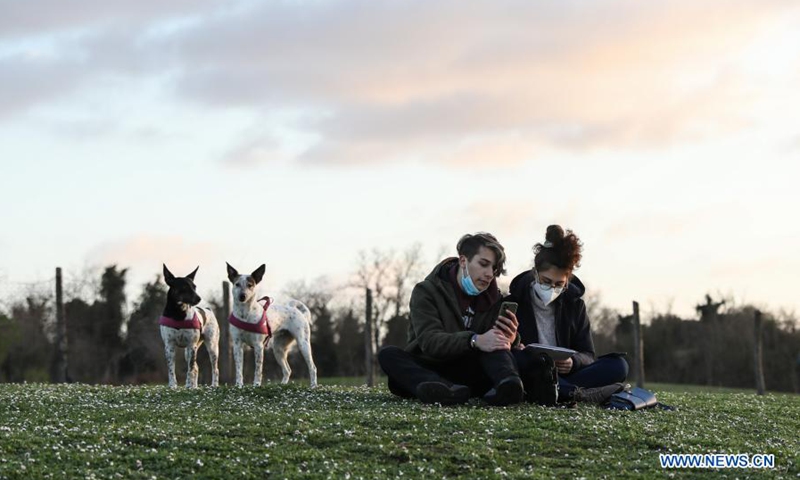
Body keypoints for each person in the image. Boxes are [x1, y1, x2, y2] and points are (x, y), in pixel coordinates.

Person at [378, 232, 525, 406]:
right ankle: (445, 390)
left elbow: (499, 347)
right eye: (483, 264)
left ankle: (508, 387)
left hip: (471, 369)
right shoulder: (426, 291)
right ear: (463, 261)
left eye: (493, 269)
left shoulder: (494, 299)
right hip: (432, 365)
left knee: (497, 343)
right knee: (388, 354)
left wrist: (512, 338)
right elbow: (429, 341)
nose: (489, 274)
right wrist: (474, 340)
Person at [507, 225, 628, 403]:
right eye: (546, 281)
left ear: (567, 280)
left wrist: (573, 362)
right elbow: (502, 351)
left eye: (559, 284)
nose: (551, 288)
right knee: (518, 361)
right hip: (532, 371)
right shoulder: (512, 302)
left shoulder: (575, 306)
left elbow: (588, 353)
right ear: (535, 273)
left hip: (566, 374)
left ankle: (559, 391)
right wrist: (516, 347)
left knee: (618, 365)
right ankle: (576, 393)